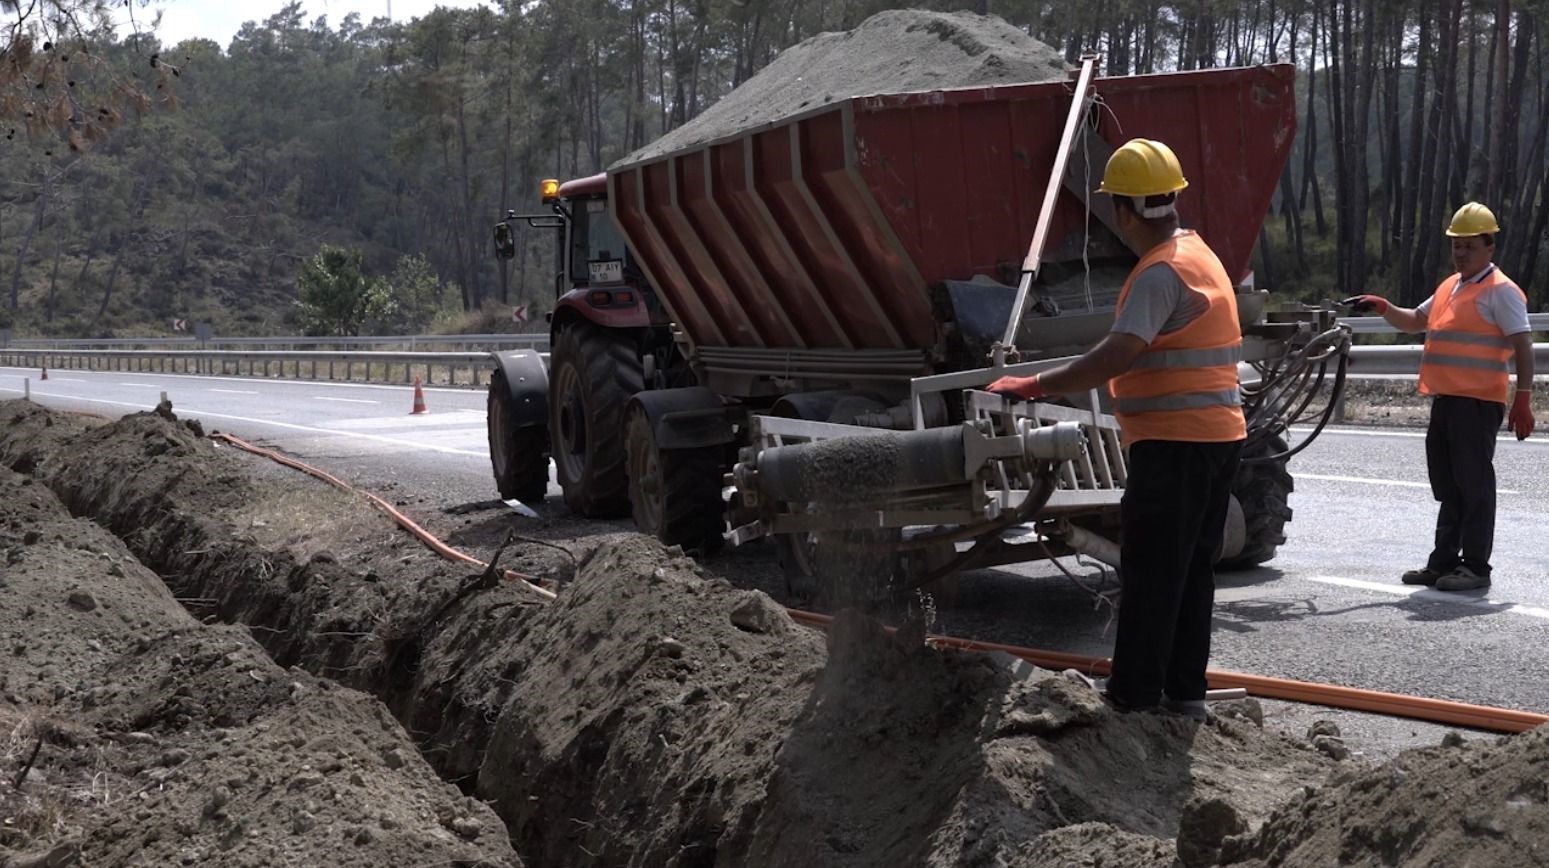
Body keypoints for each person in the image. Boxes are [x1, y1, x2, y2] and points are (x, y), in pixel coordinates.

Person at [987, 138, 1245, 718]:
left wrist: (1034, 385)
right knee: (1191, 574)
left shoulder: (1158, 274)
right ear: (1173, 197)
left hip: (1175, 444)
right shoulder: (1199, 255)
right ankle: (1184, 694)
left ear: (1123, 211)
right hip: (1218, 439)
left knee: (1152, 573)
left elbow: (1119, 353)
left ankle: (1131, 698)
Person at [1343, 201, 1535, 592]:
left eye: (1469, 246)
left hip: (1478, 403)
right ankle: (1444, 561)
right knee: (1449, 485)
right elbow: (1415, 320)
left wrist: (1523, 398)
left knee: (1475, 485)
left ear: (1489, 248)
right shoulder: (1451, 286)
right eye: (1456, 246)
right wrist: (1383, 307)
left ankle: (1476, 567)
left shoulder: (1502, 292)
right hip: (1447, 400)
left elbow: (1524, 344)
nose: (1461, 253)